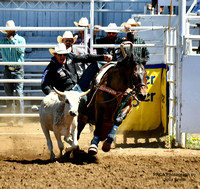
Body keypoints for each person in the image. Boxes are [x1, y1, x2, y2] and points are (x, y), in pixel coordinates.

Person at [41, 43, 112, 97]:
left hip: (79, 85)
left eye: (64, 54)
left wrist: (103, 57)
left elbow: (86, 57)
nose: (63, 56)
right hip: (67, 93)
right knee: (84, 100)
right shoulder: (51, 68)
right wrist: (49, 92)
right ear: (55, 55)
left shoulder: (70, 57)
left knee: (96, 64)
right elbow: (44, 83)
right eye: (60, 55)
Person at [0, 20, 26, 125]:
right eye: (8, 30)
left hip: (18, 69)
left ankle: (20, 119)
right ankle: (11, 118)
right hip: (7, 69)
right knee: (9, 95)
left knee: (19, 94)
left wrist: (12, 41)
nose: (9, 31)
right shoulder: (2, 42)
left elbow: (21, 51)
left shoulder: (20, 40)